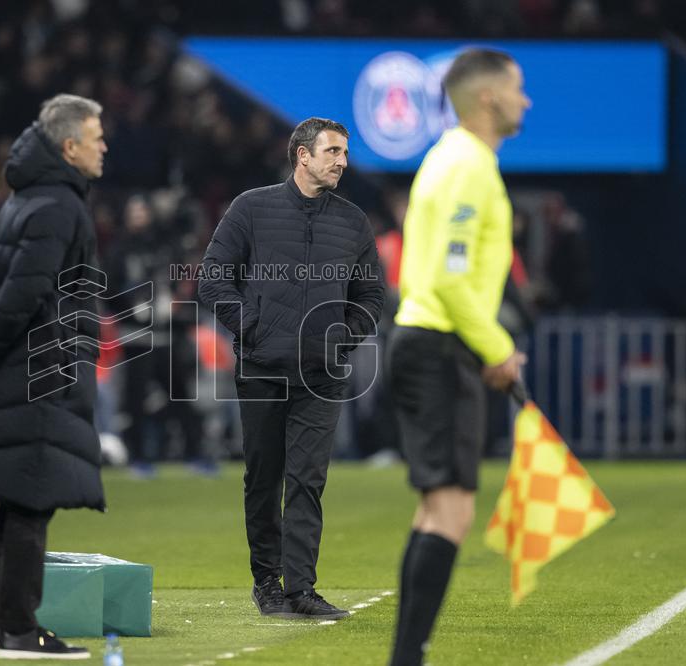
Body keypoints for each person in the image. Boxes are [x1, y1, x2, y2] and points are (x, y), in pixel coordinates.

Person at [198, 117, 384, 620]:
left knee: (307, 480)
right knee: (263, 478)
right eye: (333, 152)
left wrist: (343, 339)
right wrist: (249, 327)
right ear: (302, 155)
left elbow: (371, 295)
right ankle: (267, 583)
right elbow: (213, 278)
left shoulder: (353, 221)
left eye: (345, 153)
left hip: (322, 374)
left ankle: (301, 589)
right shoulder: (251, 208)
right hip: (262, 369)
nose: (342, 162)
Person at [0, 94, 107, 660]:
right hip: (43, 368)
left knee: (18, 495)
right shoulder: (61, 205)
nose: (104, 145)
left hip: (20, 363)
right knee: (35, 496)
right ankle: (19, 629)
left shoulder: (26, 200)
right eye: (96, 136)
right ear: (69, 147)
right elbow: (24, 292)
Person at [386, 48, 530, 666]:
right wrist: (497, 349)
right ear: (490, 98)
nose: (527, 101)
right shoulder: (470, 166)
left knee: (436, 511)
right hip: (442, 347)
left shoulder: (445, 159)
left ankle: (406, 659)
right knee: (451, 511)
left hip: (428, 343)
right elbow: (450, 280)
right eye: (520, 89)